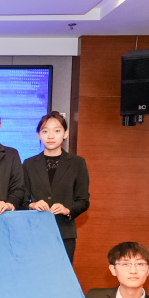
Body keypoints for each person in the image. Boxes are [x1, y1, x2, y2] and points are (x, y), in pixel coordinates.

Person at [22, 112, 89, 264]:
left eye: (57, 131)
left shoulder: (77, 163)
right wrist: (32, 205)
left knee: (62, 276)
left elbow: (83, 201)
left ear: (65, 134)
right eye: (45, 131)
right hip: (35, 233)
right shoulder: (28, 164)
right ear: (38, 135)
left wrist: (67, 210)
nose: (50, 136)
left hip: (65, 233)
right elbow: (21, 200)